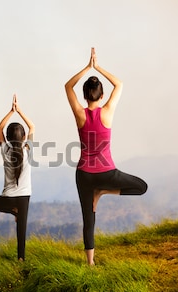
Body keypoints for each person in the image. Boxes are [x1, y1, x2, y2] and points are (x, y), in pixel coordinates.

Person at [64, 48, 148, 265]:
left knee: (88, 218)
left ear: (84, 95)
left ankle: (90, 263)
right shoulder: (108, 111)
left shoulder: (80, 113)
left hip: (83, 174)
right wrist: (97, 67)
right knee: (141, 186)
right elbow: (119, 84)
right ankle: (104, 191)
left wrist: (87, 68)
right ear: (102, 96)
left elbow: (67, 86)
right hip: (108, 173)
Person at [0, 94, 35, 261]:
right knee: (22, 229)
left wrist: (10, 111)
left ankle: (13, 211)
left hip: (9, 198)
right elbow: (32, 126)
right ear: (23, 137)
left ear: (8, 137)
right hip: (24, 197)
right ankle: (21, 259)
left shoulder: (5, 150)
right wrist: (19, 111)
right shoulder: (28, 150)